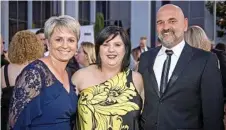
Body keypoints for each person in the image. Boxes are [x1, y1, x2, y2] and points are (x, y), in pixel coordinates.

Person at [138, 4, 224, 130]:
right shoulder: (146, 58)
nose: (166, 27)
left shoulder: (205, 60)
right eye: (160, 22)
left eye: (172, 21)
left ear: (185, 24)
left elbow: (213, 115)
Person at [8, 15, 80, 130]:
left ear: (76, 45)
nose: (65, 45)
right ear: (47, 42)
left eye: (71, 40)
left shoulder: (69, 73)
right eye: (58, 39)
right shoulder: (34, 73)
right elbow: (16, 123)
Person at [72, 26, 144, 130]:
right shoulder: (80, 76)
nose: (111, 49)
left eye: (117, 45)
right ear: (98, 48)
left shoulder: (137, 79)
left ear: (126, 49)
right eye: (105, 45)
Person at [1, 30, 44, 130]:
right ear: (36, 46)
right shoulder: (39, 69)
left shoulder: (4, 70)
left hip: (7, 122)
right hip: (33, 123)